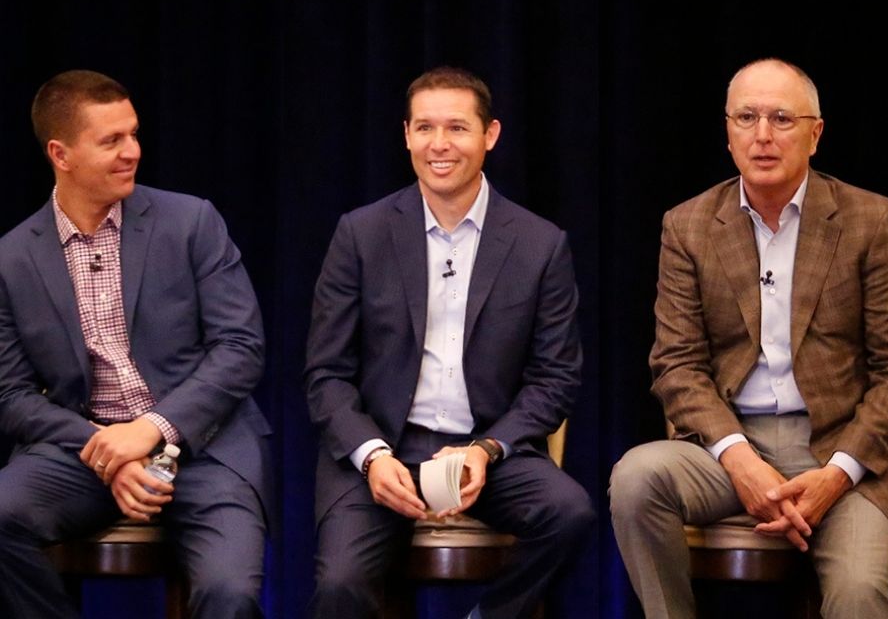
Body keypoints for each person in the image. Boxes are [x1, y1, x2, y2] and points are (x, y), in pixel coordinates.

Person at [609, 58, 888, 619]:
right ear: (728, 132)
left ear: (816, 133)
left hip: (845, 451)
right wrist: (741, 461)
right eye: (747, 117)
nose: (762, 135)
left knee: (858, 596)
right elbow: (677, 365)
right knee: (636, 478)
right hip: (731, 447)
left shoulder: (871, 221)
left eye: (782, 118)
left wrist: (837, 474)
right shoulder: (687, 226)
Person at [304, 66, 594, 619]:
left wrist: (486, 451)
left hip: (486, 450)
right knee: (340, 585)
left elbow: (555, 379)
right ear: (406, 135)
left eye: (458, 128)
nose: (440, 145)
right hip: (381, 451)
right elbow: (325, 374)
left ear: (490, 135)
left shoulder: (540, 244)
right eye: (425, 128)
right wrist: (371, 457)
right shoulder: (360, 234)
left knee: (570, 513)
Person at [0, 70, 273, 618]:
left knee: (229, 592)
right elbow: (11, 397)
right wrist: (108, 451)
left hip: (204, 448)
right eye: (111, 141)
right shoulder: (13, 258)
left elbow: (240, 348)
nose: (133, 152)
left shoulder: (191, 221)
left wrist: (150, 431)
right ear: (61, 153)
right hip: (81, 450)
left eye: (133, 134)